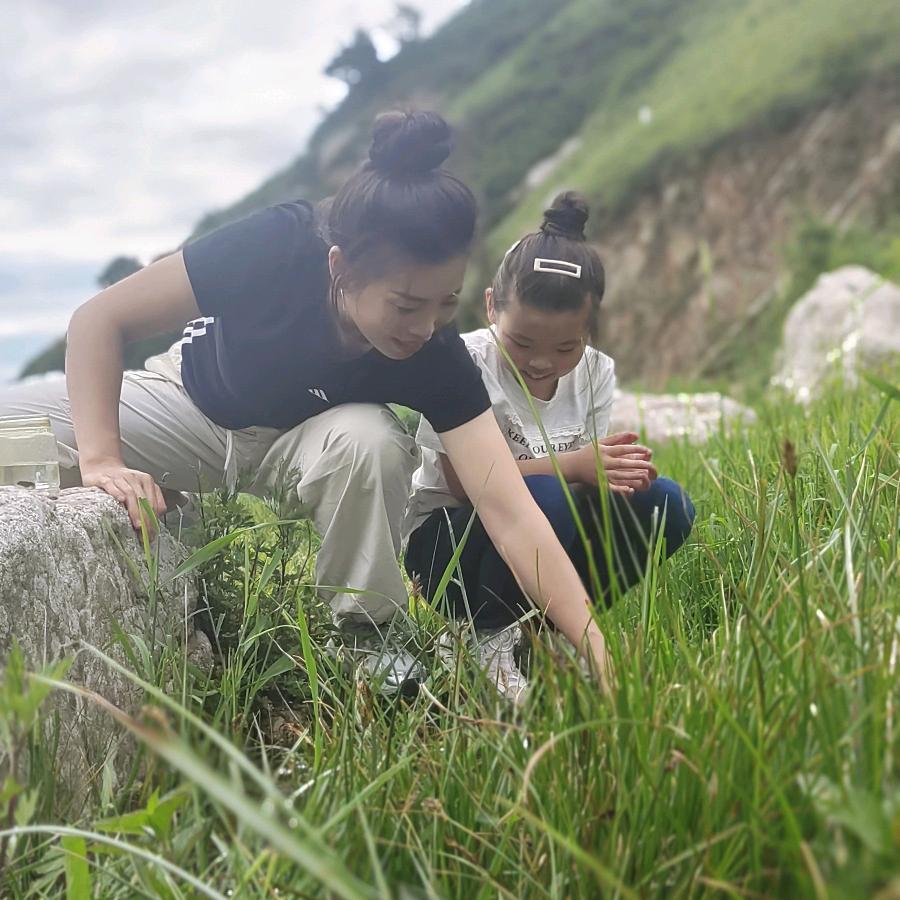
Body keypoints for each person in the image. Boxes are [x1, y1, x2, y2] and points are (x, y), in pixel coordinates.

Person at [0, 113, 612, 693]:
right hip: (192, 407)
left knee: (370, 438)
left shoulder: (434, 354)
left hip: (306, 447)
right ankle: (176, 508)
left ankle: (368, 639)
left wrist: (600, 653)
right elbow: (99, 319)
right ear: (341, 269)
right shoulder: (278, 244)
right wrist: (103, 459)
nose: (426, 326)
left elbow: (508, 508)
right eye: (406, 304)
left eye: (446, 303)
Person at [404, 191, 695, 700]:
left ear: (590, 328)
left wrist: (618, 476)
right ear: (492, 307)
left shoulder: (595, 373)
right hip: (448, 550)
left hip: (537, 537)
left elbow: (589, 486)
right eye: (522, 344)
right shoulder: (466, 361)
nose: (541, 363)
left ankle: (552, 631)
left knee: (664, 503)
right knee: (549, 496)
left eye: (565, 347)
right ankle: (485, 634)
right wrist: (577, 464)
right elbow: (463, 482)